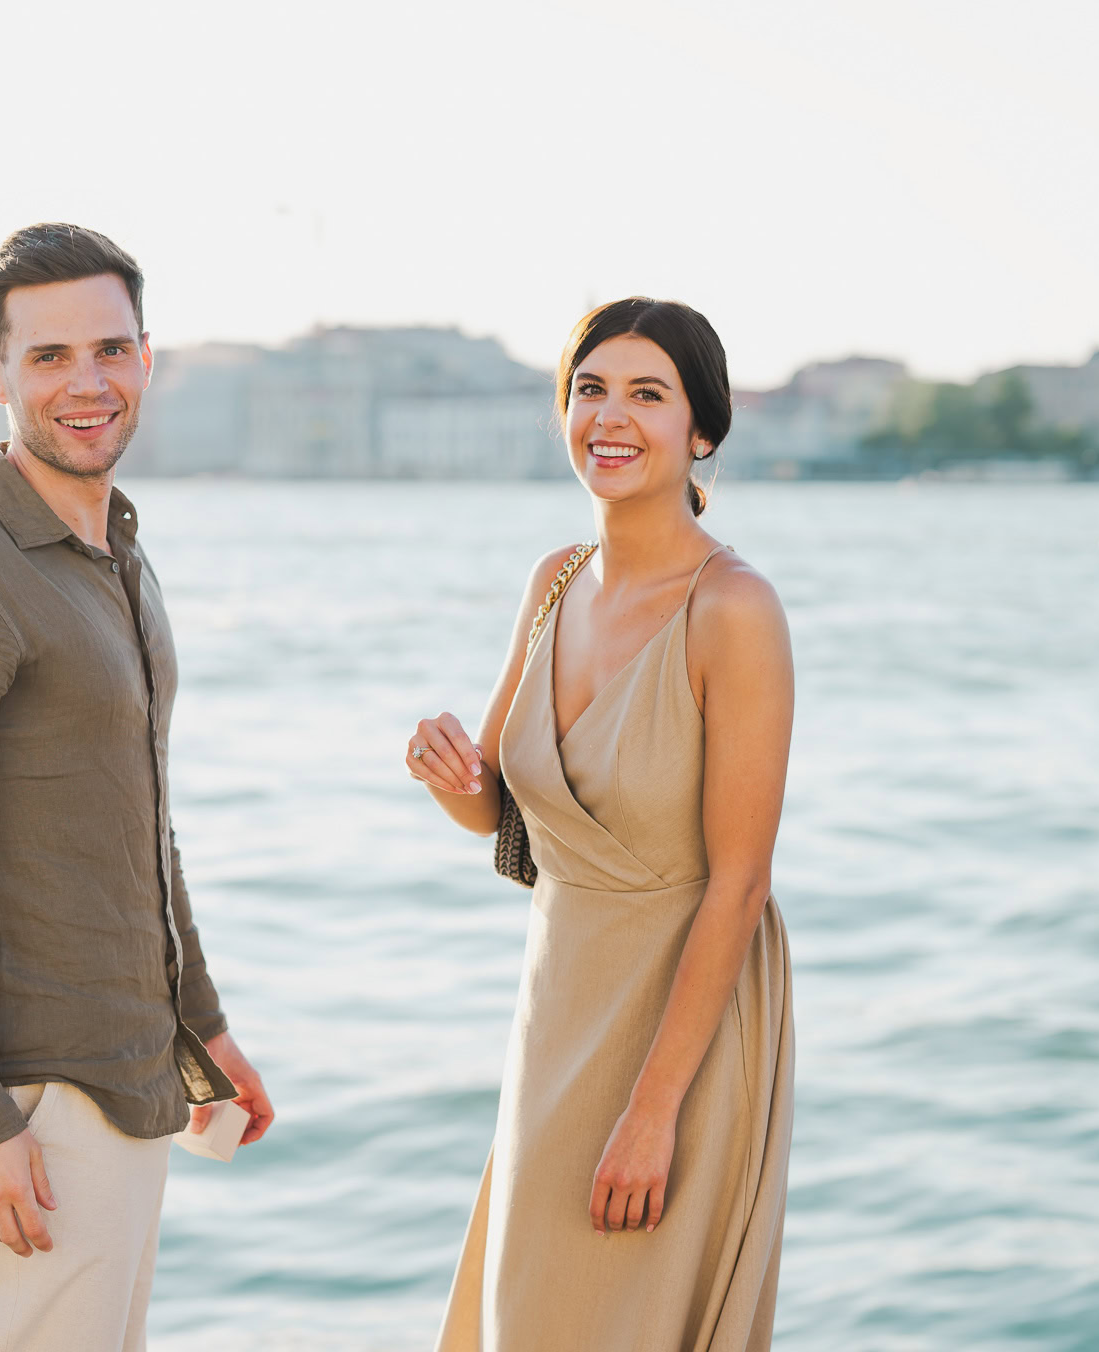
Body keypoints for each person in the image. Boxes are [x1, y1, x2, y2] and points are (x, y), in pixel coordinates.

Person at [0, 222, 274, 1352]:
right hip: (25, 1106)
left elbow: (140, 824)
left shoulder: (116, 554)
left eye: (111, 349)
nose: (88, 383)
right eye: (49, 357)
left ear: (146, 359)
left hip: (131, 1075)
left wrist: (204, 1029)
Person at [410, 298, 796, 1350]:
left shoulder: (734, 608)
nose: (610, 417)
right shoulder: (555, 583)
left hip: (681, 1029)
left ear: (700, 430)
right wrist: (448, 774)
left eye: (647, 394)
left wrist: (654, 1110)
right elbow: (500, 808)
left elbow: (740, 883)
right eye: (590, 389)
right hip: (557, 1012)